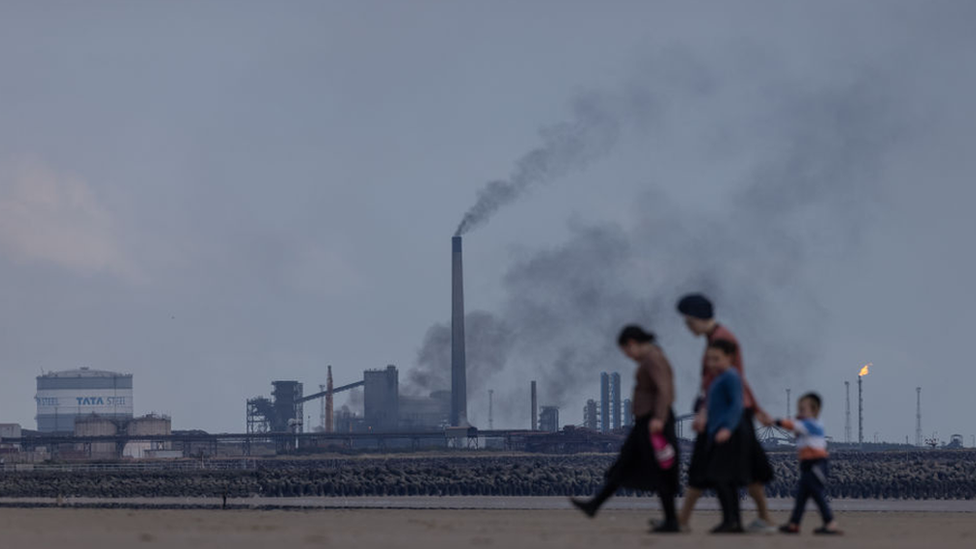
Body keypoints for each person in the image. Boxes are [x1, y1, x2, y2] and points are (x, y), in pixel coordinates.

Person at [676, 293, 776, 533]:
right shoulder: (716, 338)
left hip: (726, 414)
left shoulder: (722, 340)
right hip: (728, 411)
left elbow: (735, 378)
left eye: (688, 322)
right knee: (739, 469)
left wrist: (704, 412)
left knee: (715, 468)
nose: (687, 327)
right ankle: (682, 520)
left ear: (698, 318)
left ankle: (686, 521)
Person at [571, 325, 681, 533]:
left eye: (626, 351)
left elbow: (664, 389)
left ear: (631, 343)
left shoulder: (653, 358)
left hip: (653, 422)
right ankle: (594, 504)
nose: (628, 356)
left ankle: (672, 521)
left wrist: (658, 417)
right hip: (645, 423)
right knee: (624, 463)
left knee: (660, 469)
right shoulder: (651, 358)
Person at [762, 393, 843, 535]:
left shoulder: (811, 424)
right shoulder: (806, 425)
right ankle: (794, 523)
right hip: (807, 465)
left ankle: (830, 522)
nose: (800, 412)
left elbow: (792, 425)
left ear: (815, 411)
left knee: (817, 494)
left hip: (816, 464)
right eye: (799, 409)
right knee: (801, 496)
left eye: (803, 410)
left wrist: (774, 421)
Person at [701, 339, 749, 533]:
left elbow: (737, 405)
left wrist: (727, 428)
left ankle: (731, 520)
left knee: (720, 478)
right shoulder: (718, 378)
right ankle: (733, 520)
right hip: (717, 433)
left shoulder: (730, 376)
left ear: (729, 357)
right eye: (709, 359)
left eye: (716, 359)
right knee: (723, 480)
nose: (712, 363)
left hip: (726, 435)